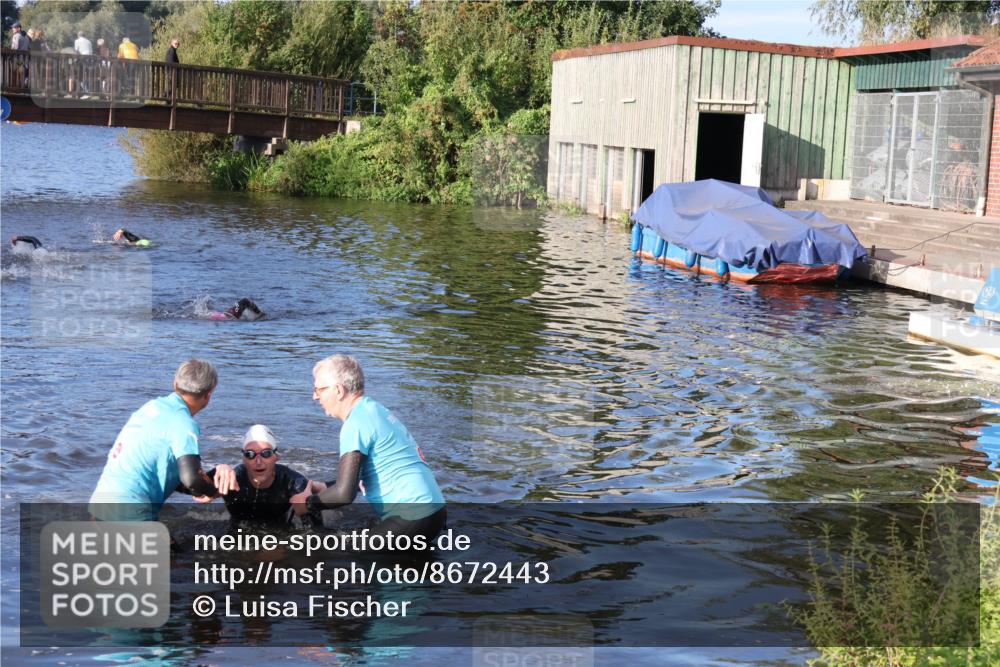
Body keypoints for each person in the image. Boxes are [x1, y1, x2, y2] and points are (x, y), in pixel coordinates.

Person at [292, 355, 446, 541]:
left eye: (319, 389)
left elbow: (344, 494)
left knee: (342, 555)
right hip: (434, 512)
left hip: (412, 517)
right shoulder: (373, 409)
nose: (315, 396)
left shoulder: (355, 423)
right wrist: (324, 487)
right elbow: (371, 476)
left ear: (339, 390)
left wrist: (308, 504)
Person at [89, 359, 238, 521]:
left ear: (175, 384)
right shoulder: (183, 423)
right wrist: (214, 491)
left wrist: (208, 482)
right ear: (209, 394)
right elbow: (192, 479)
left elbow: (174, 475)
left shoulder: (151, 407)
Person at [199, 424, 323, 530]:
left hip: (280, 531)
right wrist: (214, 473)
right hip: (237, 530)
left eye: (266, 453)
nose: (258, 461)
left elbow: (316, 531)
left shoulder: (293, 482)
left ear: (276, 457)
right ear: (243, 459)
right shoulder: (231, 480)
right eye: (250, 454)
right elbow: (191, 488)